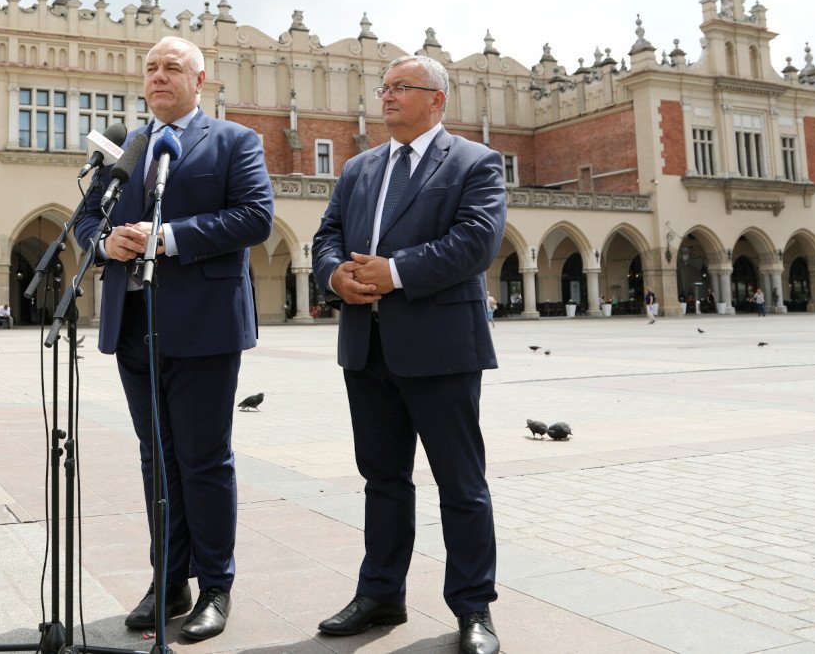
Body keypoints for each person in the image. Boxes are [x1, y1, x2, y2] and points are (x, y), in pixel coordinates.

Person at [74, 36, 273, 641]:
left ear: (200, 78)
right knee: (155, 457)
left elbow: (255, 217)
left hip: (204, 325)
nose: (160, 77)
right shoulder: (127, 146)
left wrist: (165, 237)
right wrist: (104, 243)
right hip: (134, 325)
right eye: (152, 68)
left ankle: (215, 585)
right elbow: (85, 218)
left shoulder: (235, 141)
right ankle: (169, 578)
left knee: (204, 459)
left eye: (173, 68)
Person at [312, 54, 506, 654]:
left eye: (402, 88)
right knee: (383, 479)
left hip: (441, 347)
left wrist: (395, 272)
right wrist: (334, 277)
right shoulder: (359, 168)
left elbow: (477, 241)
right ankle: (380, 594)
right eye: (385, 87)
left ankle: (473, 607)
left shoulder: (475, 162)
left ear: (437, 100)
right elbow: (327, 237)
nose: (387, 96)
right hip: (366, 348)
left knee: (461, 483)